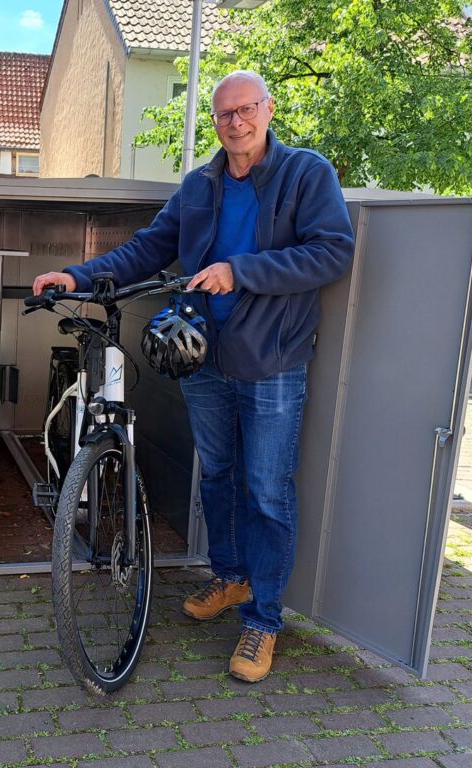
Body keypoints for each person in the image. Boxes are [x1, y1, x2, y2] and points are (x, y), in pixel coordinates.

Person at [31, 70, 354, 682]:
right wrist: (77, 276)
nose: (236, 122)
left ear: (268, 109)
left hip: (271, 359)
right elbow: (148, 247)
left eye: (246, 109)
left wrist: (241, 270)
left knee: (266, 489)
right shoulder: (200, 185)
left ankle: (263, 619)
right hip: (202, 355)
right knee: (219, 476)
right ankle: (230, 579)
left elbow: (331, 251)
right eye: (225, 113)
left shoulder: (305, 173)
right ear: (215, 121)